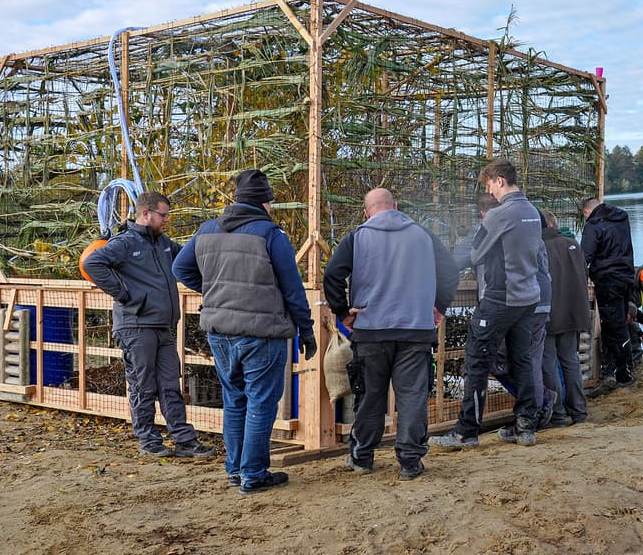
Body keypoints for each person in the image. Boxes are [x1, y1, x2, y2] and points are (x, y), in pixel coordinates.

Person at [171, 169, 315, 494]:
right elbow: (293, 289)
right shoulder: (270, 235)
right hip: (262, 333)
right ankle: (254, 474)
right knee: (261, 403)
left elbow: (179, 268)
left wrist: (213, 291)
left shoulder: (206, 230)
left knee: (234, 401)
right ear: (265, 202)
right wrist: (306, 331)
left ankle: (235, 470)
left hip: (219, 332)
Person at [323, 188, 459, 481]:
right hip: (415, 331)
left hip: (371, 330)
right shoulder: (423, 236)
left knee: (370, 395)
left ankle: (362, 457)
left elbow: (332, 274)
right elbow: (450, 271)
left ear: (366, 212)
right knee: (412, 396)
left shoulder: (357, 237)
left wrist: (343, 311)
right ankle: (410, 462)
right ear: (396, 206)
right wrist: (439, 307)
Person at [82, 191, 215, 459]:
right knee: (143, 384)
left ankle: (184, 439)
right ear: (146, 214)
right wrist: (124, 294)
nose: (166, 220)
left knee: (169, 383)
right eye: (163, 215)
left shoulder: (163, 243)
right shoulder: (125, 242)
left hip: (162, 326)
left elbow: (189, 258)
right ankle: (149, 439)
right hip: (135, 325)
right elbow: (92, 263)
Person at [430, 159, 543, 449]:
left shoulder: (498, 215)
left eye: (490, 185)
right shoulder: (532, 212)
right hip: (528, 297)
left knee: (476, 362)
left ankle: (466, 431)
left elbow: (475, 254)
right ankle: (526, 425)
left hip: (498, 298)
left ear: (500, 180)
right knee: (523, 360)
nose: (490, 192)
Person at [540, 209, 589, 426]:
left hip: (549, 314)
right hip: (574, 313)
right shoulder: (573, 245)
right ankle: (579, 411)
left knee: (549, 363)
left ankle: (557, 413)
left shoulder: (540, 247)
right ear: (554, 223)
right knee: (571, 361)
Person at [580, 196, 636, 387]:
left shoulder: (593, 226)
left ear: (587, 212)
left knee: (614, 327)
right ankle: (612, 368)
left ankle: (624, 372)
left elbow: (584, 257)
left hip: (607, 281)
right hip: (627, 278)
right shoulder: (622, 218)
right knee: (619, 322)